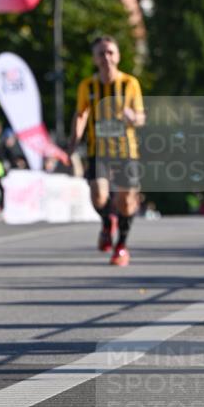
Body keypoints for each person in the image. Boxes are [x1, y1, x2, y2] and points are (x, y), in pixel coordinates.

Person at [67, 35, 145, 266]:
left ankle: (121, 245)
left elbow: (141, 117)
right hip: (98, 150)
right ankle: (107, 221)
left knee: (126, 200)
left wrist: (134, 117)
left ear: (118, 56)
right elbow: (81, 114)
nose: (106, 58)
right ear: (94, 59)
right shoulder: (87, 86)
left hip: (126, 151)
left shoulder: (130, 84)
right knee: (99, 196)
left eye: (110, 52)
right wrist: (74, 139)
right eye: (101, 53)